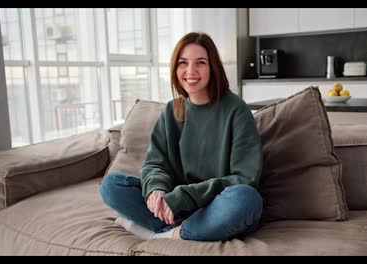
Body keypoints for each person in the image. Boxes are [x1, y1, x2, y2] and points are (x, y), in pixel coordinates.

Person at [99, 32, 263, 241]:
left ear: (213, 67)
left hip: (218, 206)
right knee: (112, 184)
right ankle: (181, 230)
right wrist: (156, 189)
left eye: (200, 63)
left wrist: (183, 197)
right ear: (176, 68)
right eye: (183, 63)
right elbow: (155, 164)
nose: (191, 71)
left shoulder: (236, 110)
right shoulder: (172, 110)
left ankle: (168, 234)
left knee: (247, 199)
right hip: (176, 208)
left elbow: (245, 178)